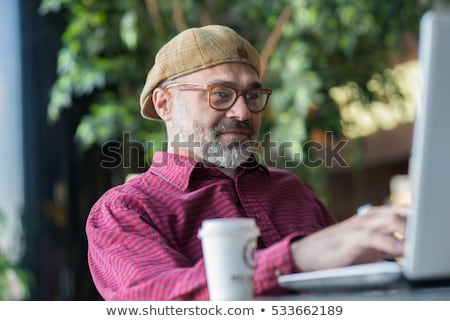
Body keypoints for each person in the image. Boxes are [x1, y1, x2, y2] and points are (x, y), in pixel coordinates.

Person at [86, 25, 408, 300]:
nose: (242, 113)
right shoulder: (126, 210)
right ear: (165, 103)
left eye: (252, 97)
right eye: (221, 95)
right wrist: (297, 257)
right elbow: (156, 303)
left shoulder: (293, 191)